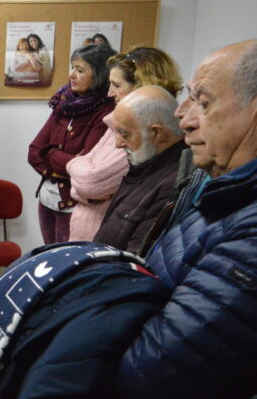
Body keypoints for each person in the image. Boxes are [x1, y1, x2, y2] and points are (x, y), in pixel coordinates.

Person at [116, 39, 257, 399]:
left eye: (204, 101)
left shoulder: (248, 226)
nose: (185, 116)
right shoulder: (217, 191)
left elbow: (152, 369)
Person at [65, 47, 183, 242]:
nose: (110, 93)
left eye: (116, 85)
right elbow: (86, 172)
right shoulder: (117, 122)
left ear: (141, 87)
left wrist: (73, 166)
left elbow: (92, 182)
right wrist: (78, 168)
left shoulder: (143, 139)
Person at [28, 43, 115, 244]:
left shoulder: (107, 112)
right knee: (48, 257)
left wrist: (50, 154)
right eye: (72, 67)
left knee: (64, 264)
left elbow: (87, 169)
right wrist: (62, 166)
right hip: (48, 198)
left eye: (80, 70)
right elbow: (34, 151)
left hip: (75, 205)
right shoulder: (65, 102)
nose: (72, 75)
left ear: (100, 74)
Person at [92, 85, 187, 254]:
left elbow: (136, 262)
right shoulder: (145, 166)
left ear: (157, 134)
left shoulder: (171, 186)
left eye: (124, 134)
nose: (118, 143)